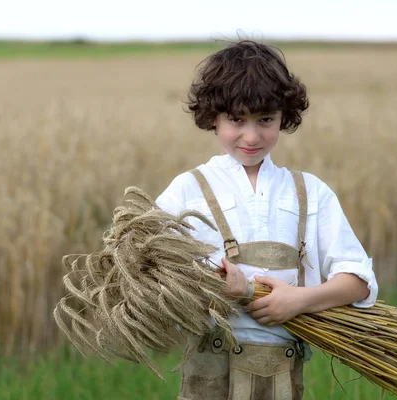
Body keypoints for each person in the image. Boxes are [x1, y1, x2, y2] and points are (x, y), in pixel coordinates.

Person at [155, 40, 378, 400]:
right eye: (236, 120)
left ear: (283, 117)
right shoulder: (187, 191)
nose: (252, 136)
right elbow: (150, 271)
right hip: (207, 382)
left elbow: (359, 283)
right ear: (213, 116)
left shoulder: (310, 193)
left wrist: (299, 301)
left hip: (283, 383)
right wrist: (221, 289)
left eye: (266, 120)